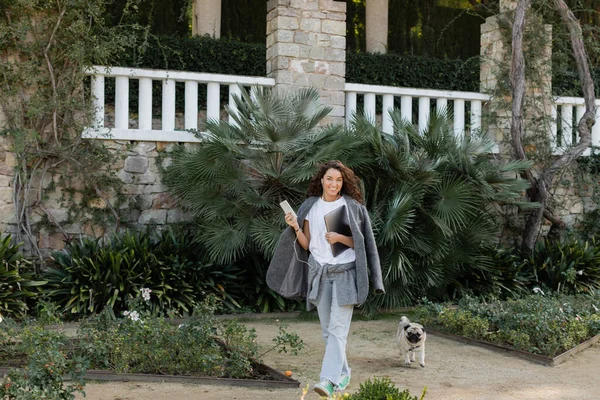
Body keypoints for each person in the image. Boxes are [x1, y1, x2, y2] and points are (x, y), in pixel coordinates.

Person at [267, 160, 385, 398]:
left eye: (339, 180)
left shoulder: (352, 206)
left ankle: (328, 381)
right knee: (327, 332)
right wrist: (295, 227)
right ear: (321, 180)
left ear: (344, 183)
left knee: (338, 329)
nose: (334, 184)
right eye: (330, 179)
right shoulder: (311, 206)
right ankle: (343, 373)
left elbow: (363, 244)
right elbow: (308, 245)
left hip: (345, 274)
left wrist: (341, 238)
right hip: (319, 273)